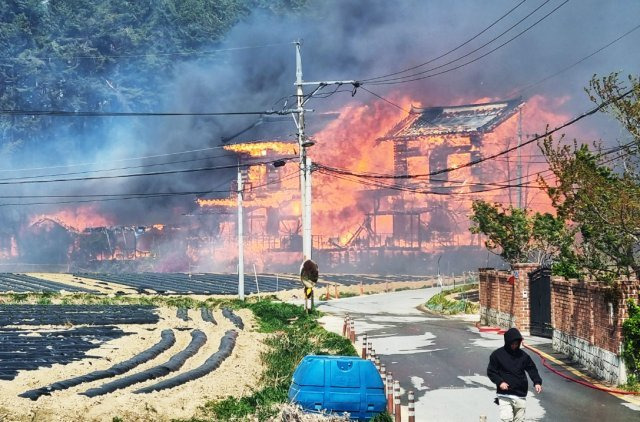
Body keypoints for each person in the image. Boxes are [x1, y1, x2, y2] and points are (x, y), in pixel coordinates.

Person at [487, 328, 543, 422]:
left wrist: (537, 382)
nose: (514, 346)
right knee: (507, 418)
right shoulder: (497, 355)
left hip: (520, 393)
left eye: (516, 344)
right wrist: (500, 382)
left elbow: (531, 368)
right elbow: (491, 371)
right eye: (512, 344)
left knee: (519, 419)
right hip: (504, 394)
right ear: (507, 342)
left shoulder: (523, 356)